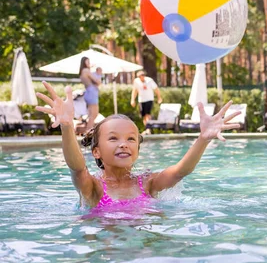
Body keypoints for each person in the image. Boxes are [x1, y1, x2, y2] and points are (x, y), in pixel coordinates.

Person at [35, 81, 240, 212]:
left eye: (131, 139)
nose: (124, 144)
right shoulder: (93, 188)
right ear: (96, 151)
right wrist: (67, 127)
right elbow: (77, 167)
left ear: (137, 150)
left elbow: (179, 172)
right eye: (114, 139)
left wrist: (203, 138)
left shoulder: (147, 182)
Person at [79, 57, 101, 132]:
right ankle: (88, 131)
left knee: (92, 114)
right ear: (84, 63)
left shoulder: (82, 71)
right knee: (94, 114)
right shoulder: (86, 70)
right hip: (92, 92)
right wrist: (99, 74)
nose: (89, 63)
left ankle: (88, 130)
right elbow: (97, 81)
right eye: (87, 62)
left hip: (88, 92)